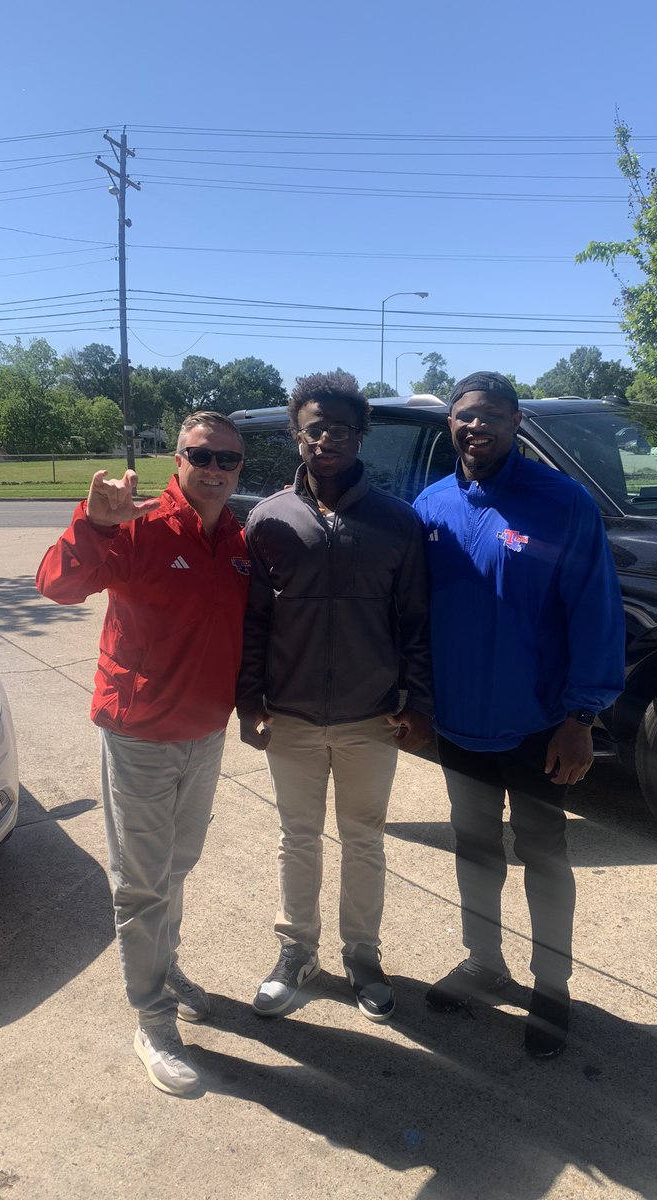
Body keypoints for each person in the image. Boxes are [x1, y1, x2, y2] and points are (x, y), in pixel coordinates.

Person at [36, 412, 250, 1096]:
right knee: (141, 882)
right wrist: (94, 525)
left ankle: (167, 966)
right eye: (201, 455)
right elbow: (57, 587)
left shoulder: (239, 539)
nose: (215, 469)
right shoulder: (140, 524)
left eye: (229, 459)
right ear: (177, 458)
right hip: (140, 734)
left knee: (176, 866)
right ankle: (151, 1019)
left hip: (205, 732)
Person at [413, 372, 624, 1058]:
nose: (477, 427)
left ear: (516, 421)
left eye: (492, 416)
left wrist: (581, 717)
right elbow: (412, 617)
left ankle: (552, 987)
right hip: (458, 725)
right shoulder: (432, 505)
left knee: (543, 856)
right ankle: (484, 963)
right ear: (451, 423)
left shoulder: (561, 504)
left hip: (539, 727)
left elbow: (595, 613)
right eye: (465, 416)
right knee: (474, 851)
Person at [237, 371, 433, 1024]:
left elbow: (415, 622)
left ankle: (362, 956)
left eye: (342, 428)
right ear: (297, 434)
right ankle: (297, 953)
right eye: (315, 427)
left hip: (369, 718)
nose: (328, 439)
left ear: (361, 437)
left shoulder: (397, 523)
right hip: (289, 715)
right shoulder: (268, 519)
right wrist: (248, 700)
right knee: (298, 838)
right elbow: (254, 620)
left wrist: (419, 703)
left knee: (364, 839)